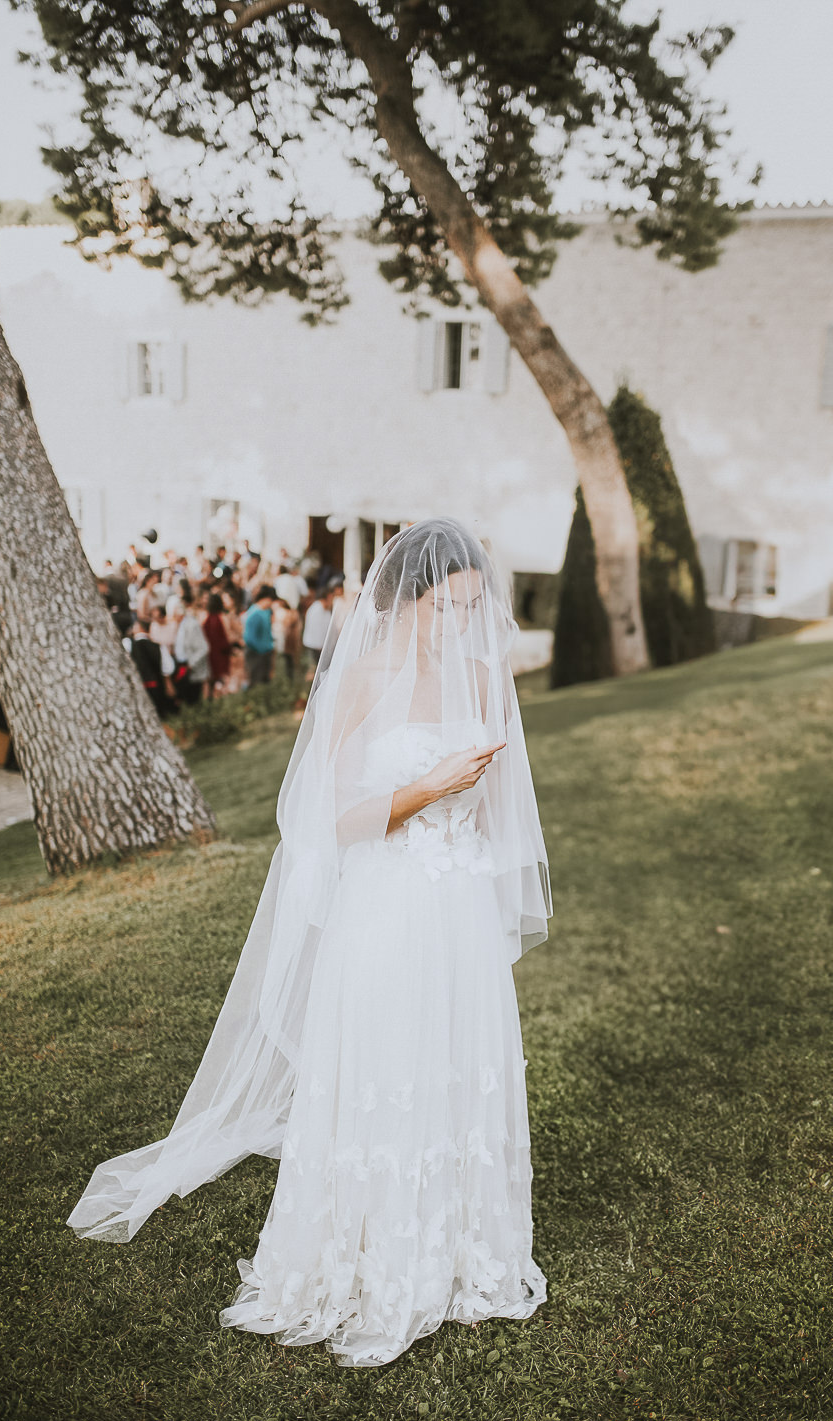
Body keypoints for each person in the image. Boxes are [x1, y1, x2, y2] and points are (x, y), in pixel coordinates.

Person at [66, 517, 552, 1369]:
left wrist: (471, 806)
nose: (461, 623)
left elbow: (499, 807)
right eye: (446, 607)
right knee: (387, 1066)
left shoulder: (482, 677)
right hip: (386, 901)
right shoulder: (359, 680)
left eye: (473, 606)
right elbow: (326, 819)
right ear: (405, 599)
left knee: (457, 1062)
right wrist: (424, 789)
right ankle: (375, 1251)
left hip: (460, 904)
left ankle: (467, 1250)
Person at [170, 597, 211, 706]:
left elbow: (203, 648)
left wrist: (191, 664)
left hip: (192, 669)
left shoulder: (192, 625)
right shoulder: (180, 625)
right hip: (183, 667)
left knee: (195, 701)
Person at [243, 585, 277, 686]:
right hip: (256, 653)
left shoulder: (266, 611)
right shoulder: (254, 613)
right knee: (255, 680)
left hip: (265, 651)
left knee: (264, 681)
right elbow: (249, 638)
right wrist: (262, 649)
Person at [301, 583, 337, 676]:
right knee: (314, 671)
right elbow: (318, 632)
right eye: (331, 597)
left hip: (320, 646)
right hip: (315, 646)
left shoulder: (325, 609)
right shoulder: (316, 610)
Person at [202, 592, 232, 696]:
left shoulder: (204, 618)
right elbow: (228, 635)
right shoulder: (223, 617)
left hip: (210, 652)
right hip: (221, 652)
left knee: (211, 678)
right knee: (222, 677)